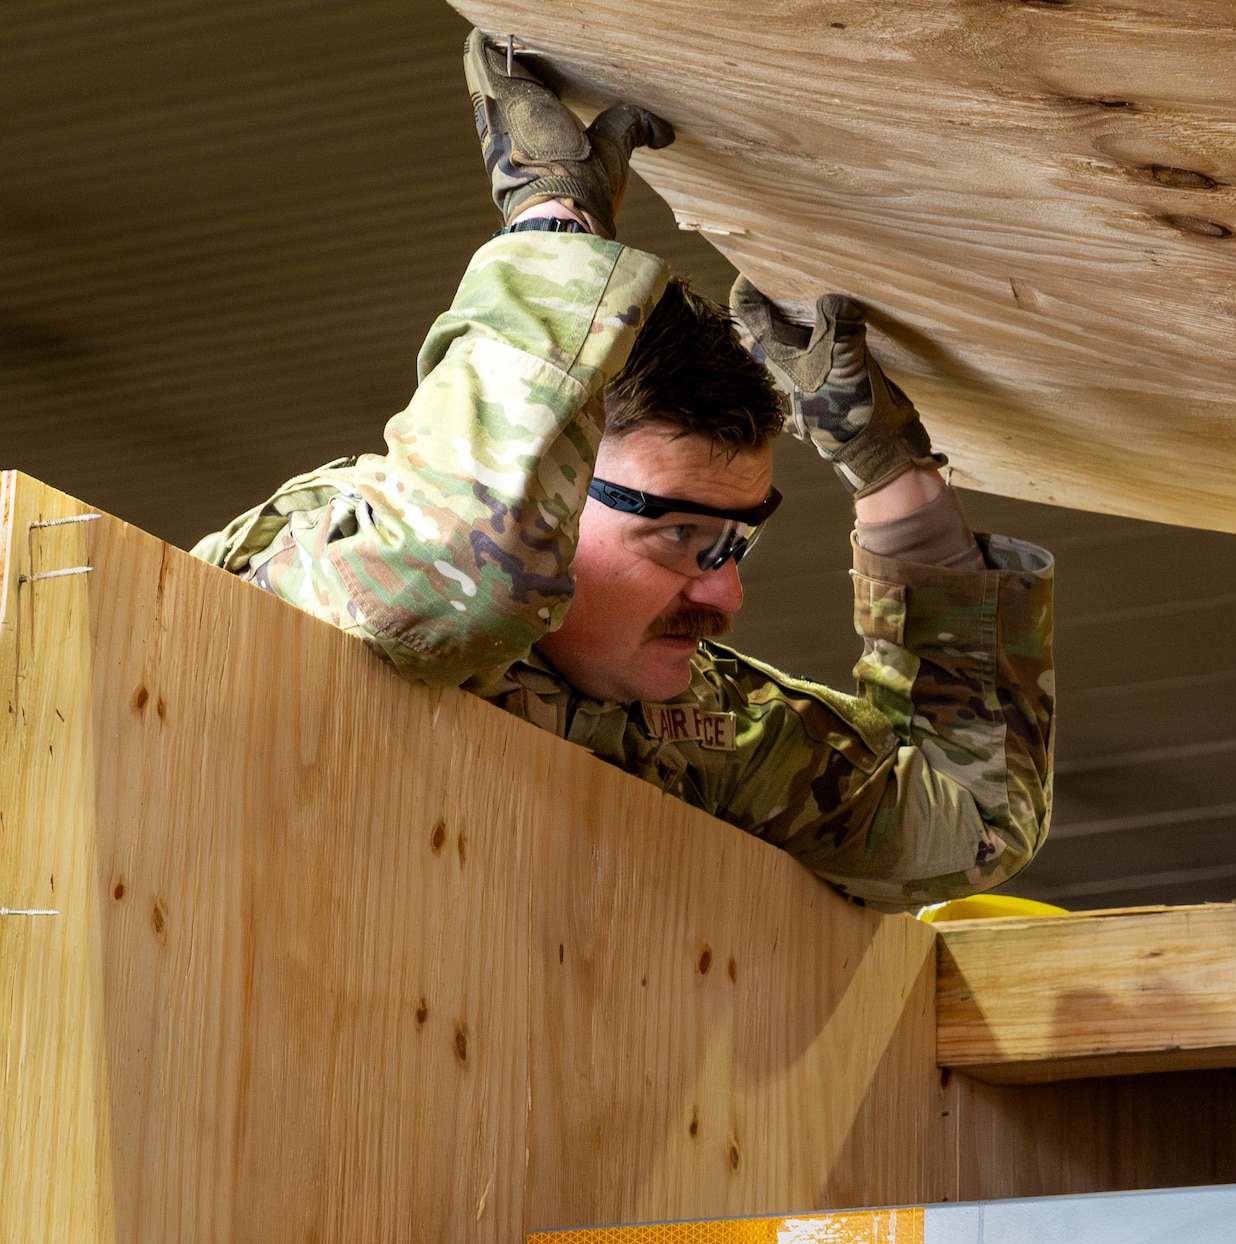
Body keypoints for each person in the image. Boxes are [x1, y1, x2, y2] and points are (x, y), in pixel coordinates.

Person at [192, 32, 1054, 909]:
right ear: (561, 480)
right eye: (679, 535)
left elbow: (976, 825)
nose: (725, 597)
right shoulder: (330, 557)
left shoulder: (704, 725)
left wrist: (892, 480)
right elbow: (452, 581)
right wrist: (550, 226)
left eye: (731, 542)